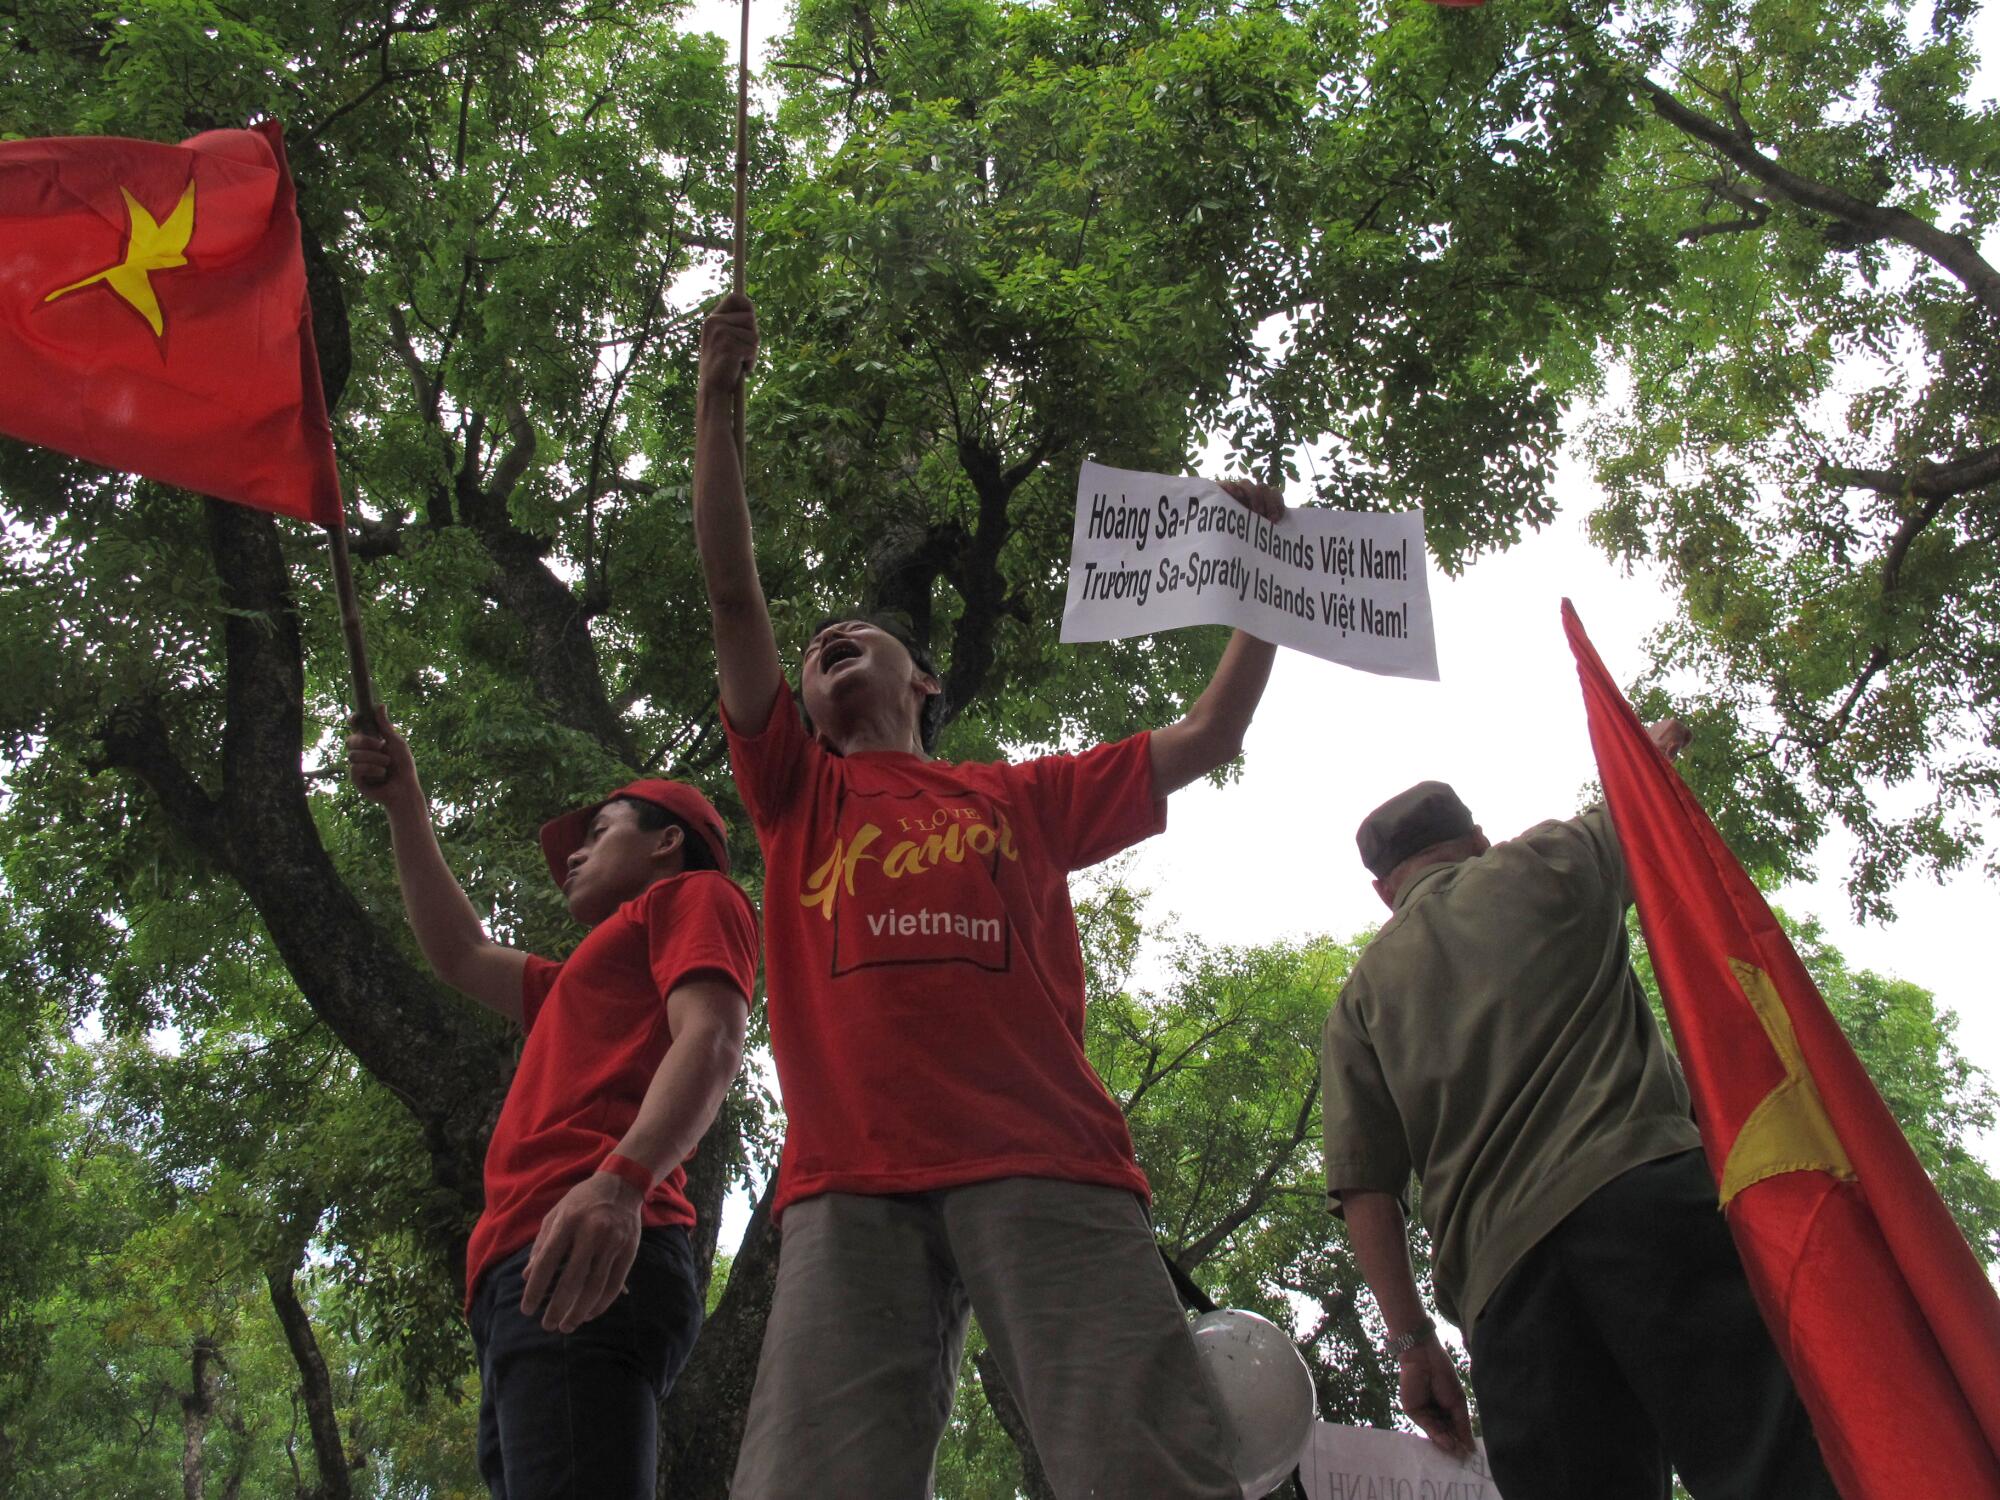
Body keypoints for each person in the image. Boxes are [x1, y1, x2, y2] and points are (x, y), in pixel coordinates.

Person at [693, 290, 1282, 1499]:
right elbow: (732, 596)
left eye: (863, 633)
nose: (831, 635)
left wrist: (1263, 575)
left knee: (1144, 1469)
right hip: (846, 1181)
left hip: (1047, 1157)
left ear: (923, 685)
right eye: (818, 646)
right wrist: (716, 399)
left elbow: (1210, 731)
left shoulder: (1020, 800)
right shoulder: (792, 795)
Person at [1321, 724, 1838, 1500]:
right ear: (1477, 838)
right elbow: (1641, 787)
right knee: (1770, 1471)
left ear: (1383, 889)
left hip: (1509, 1294)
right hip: (1649, 1209)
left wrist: (1414, 1342)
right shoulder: (1549, 860)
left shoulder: (1358, 1002)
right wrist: (1647, 739)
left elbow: (1367, 1193)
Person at [346, 718, 758, 1500]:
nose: (571, 854)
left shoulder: (694, 897)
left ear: (667, 843)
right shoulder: (576, 980)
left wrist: (621, 1183)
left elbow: (712, 1039)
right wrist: (405, 803)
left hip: (589, 1243)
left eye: (598, 832)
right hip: (525, 1269)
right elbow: (458, 953)